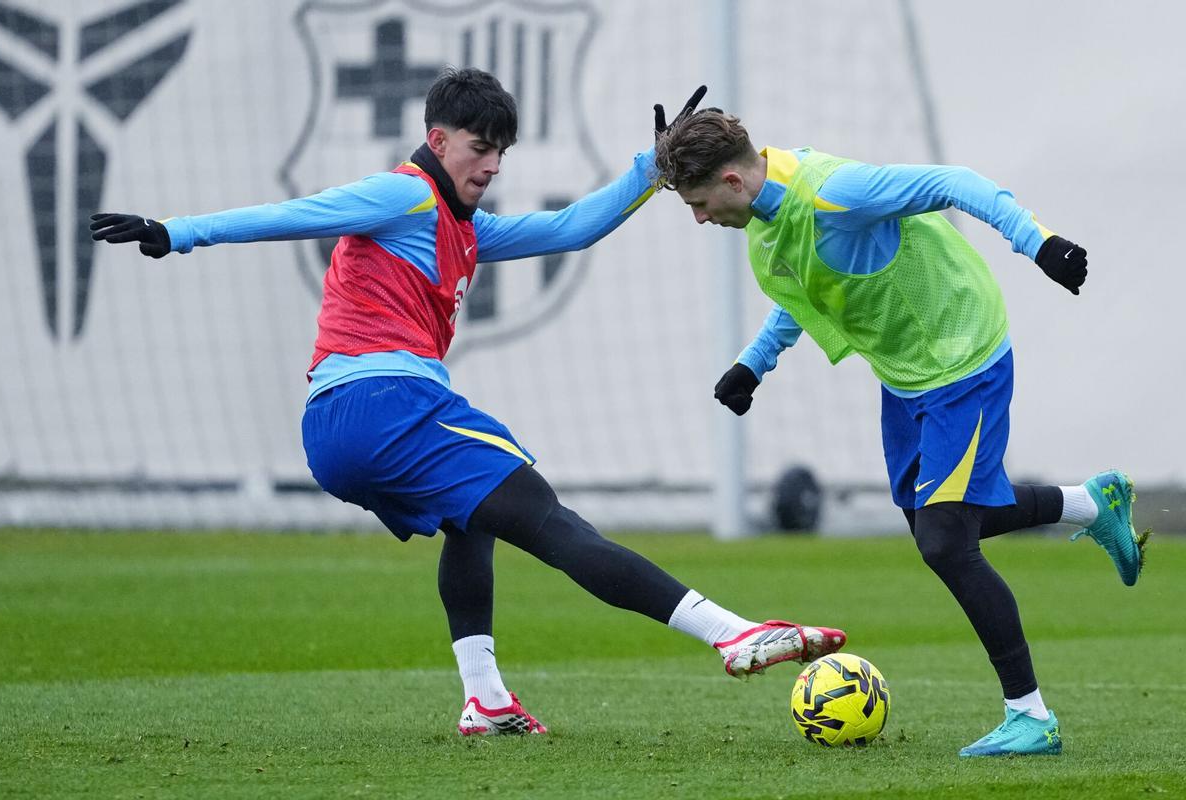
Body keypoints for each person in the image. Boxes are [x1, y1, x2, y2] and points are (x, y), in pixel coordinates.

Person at [90, 69, 846, 737]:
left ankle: (484, 698)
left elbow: (570, 230)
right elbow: (299, 212)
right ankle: (732, 634)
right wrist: (177, 232)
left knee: (471, 520)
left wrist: (651, 172)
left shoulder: (464, 226)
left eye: (501, 152)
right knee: (547, 517)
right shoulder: (404, 193)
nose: (490, 165)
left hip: (337, 426)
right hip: (385, 401)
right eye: (478, 148)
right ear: (437, 137)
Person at [652, 110, 1148, 757]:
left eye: (698, 203)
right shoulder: (766, 229)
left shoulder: (834, 190)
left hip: (963, 356)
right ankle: (1090, 502)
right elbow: (807, 290)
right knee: (933, 523)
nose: (698, 218)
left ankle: (1031, 717)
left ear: (731, 180)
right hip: (907, 376)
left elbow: (955, 181)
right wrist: (753, 364)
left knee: (946, 542)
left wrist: (1039, 243)